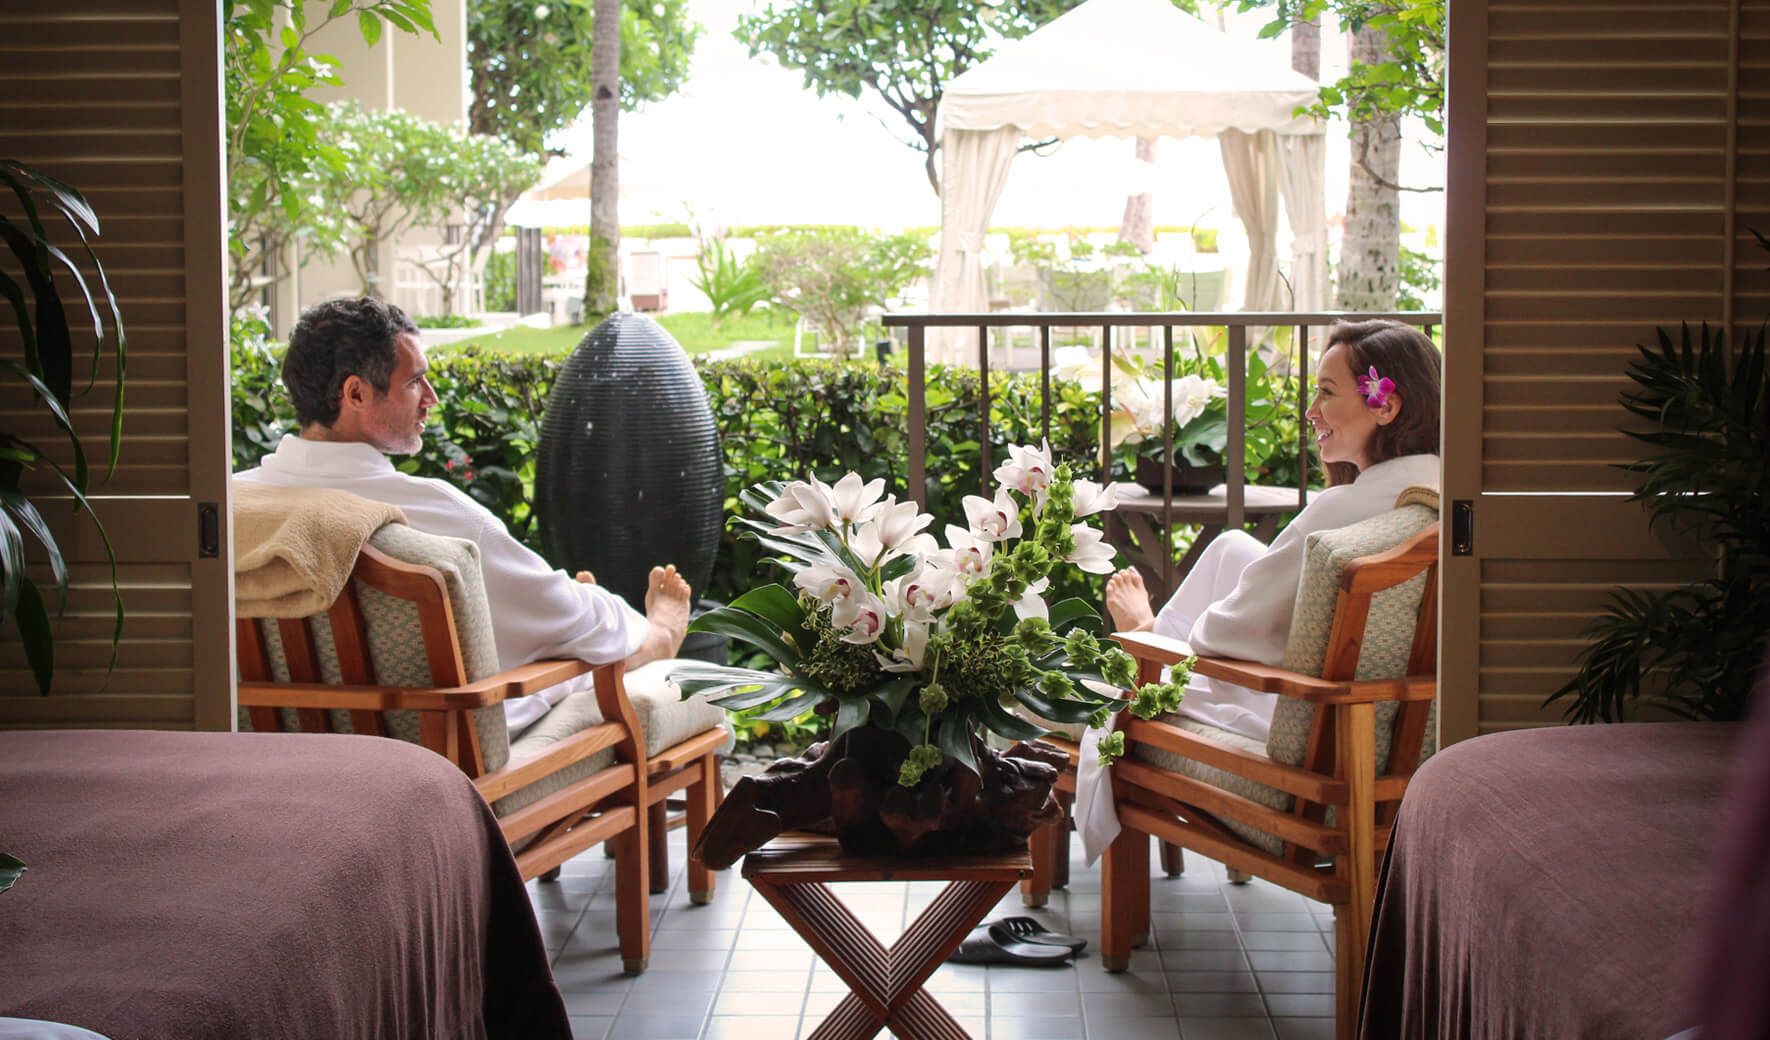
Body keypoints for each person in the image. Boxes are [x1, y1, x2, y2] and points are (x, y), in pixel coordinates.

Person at [235, 296, 691, 734]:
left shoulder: (233, 503)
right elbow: (570, 618)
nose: (430, 397)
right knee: (585, 633)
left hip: (272, 744)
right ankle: (658, 638)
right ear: (356, 393)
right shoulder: (427, 514)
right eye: (414, 381)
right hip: (430, 747)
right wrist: (617, 615)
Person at [1102, 318, 1443, 744]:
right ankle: (1155, 634)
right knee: (1231, 548)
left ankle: (1148, 641)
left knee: (1106, 687)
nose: (1310, 410)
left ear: (1385, 406)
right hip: (1379, 712)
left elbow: (1225, 635)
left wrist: (1196, 630)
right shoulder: (1439, 496)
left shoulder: (1338, 515)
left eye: (1327, 392)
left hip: (1312, 716)